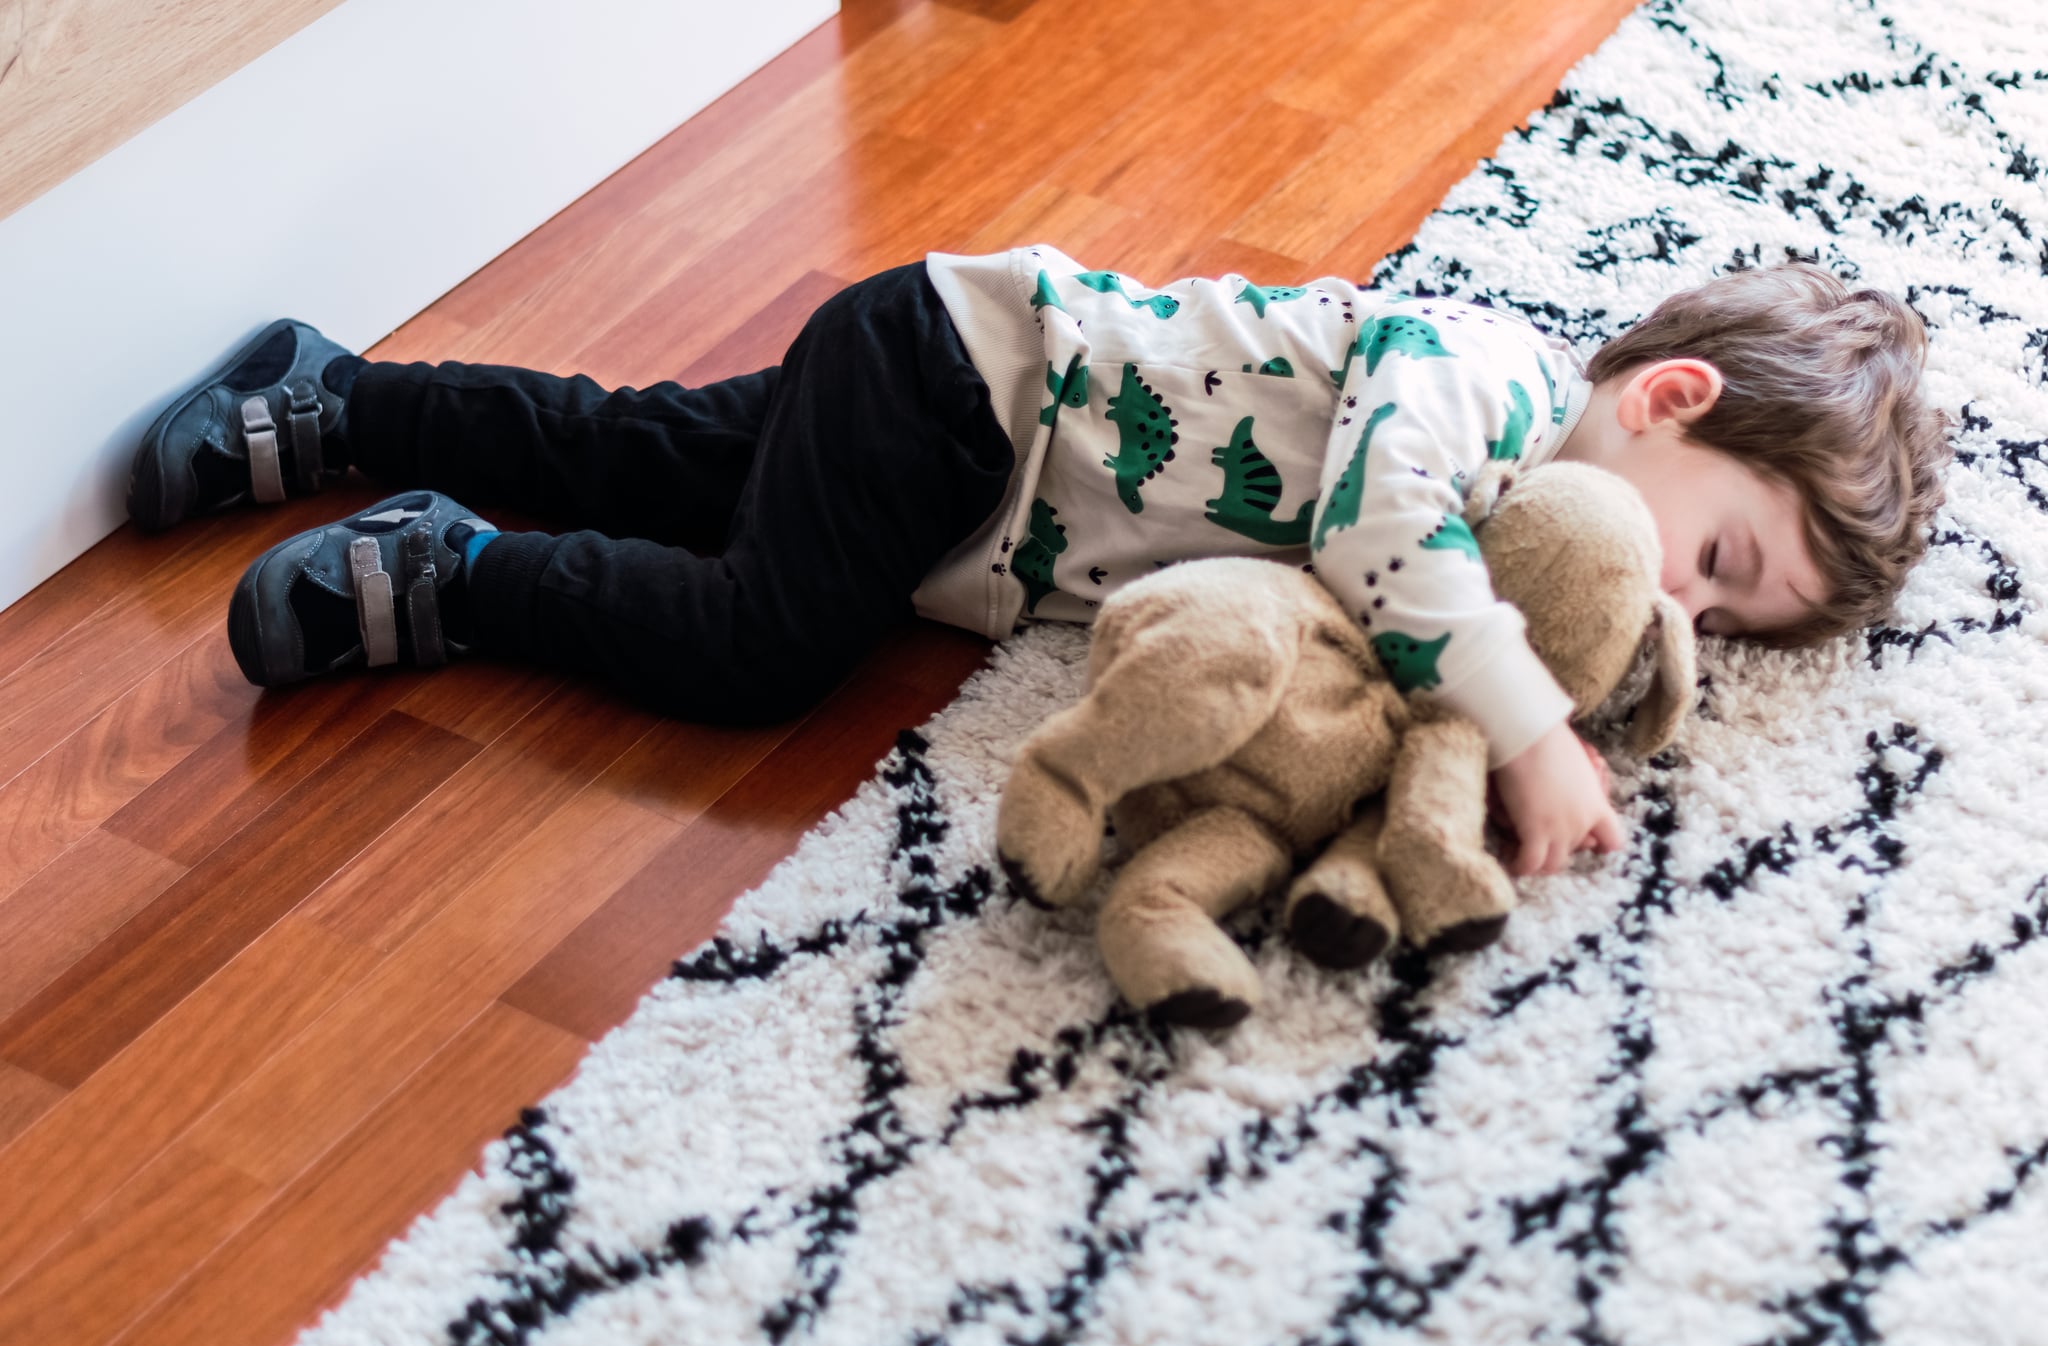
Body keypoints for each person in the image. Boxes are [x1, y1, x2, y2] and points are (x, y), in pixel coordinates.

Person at [126, 248, 1951, 876]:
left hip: (953, 444)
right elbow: (1382, 542)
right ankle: (452, 571)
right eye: (1716, 557)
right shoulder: (1473, 383)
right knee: (757, 642)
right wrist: (1526, 724)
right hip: (964, 386)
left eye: (1727, 617)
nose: (1674, 608)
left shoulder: (1521, 501)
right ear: (1671, 398)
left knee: (648, 450)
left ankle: (341, 396)